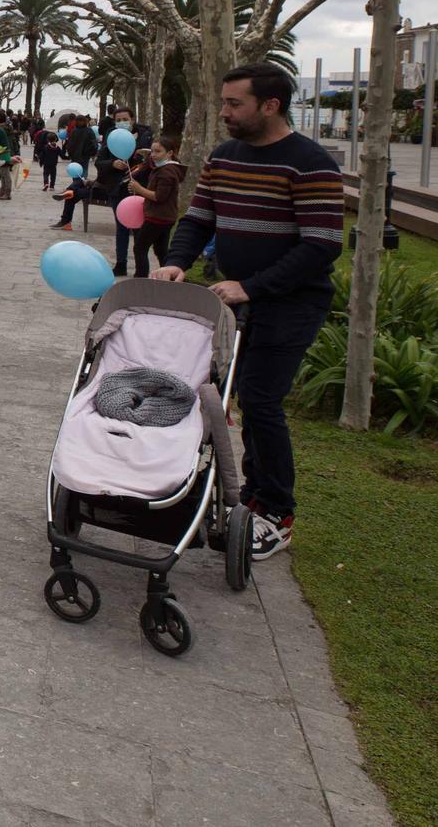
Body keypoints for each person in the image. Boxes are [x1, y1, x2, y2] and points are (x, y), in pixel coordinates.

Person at [153, 65, 342, 561]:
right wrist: (176, 262)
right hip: (234, 301)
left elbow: (322, 246)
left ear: (270, 105)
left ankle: (277, 511)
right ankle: (246, 495)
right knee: (230, 400)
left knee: (261, 401)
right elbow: (199, 217)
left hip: (289, 303)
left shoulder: (311, 163)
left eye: (235, 104)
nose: (225, 113)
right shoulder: (224, 155)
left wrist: (252, 287)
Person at [98, 106, 153, 275]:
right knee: (121, 227)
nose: (122, 123)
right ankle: (121, 264)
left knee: (138, 229)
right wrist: (112, 164)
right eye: (118, 120)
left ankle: (141, 268)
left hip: (138, 188)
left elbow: (153, 162)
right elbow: (99, 162)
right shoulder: (111, 137)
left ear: (133, 119)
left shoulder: (146, 137)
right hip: (117, 189)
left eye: (125, 119)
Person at [125, 131, 186, 277]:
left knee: (140, 248)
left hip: (158, 217)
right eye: (152, 151)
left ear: (170, 153)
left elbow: (159, 197)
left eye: (158, 151)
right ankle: (170, 278)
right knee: (161, 250)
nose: (153, 154)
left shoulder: (167, 172)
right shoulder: (164, 168)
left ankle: (140, 279)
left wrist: (139, 189)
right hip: (165, 216)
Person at [35, 126, 61, 192]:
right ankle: (52, 186)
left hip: (46, 163)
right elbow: (62, 155)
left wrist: (40, 160)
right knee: (53, 175)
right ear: (55, 139)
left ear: (47, 140)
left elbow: (42, 155)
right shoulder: (57, 148)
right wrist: (67, 157)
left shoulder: (45, 147)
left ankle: (46, 183)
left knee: (46, 174)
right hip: (54, 164)